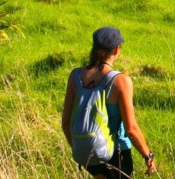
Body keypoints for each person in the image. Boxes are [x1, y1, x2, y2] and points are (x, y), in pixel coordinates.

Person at [62, 27, 157, 178]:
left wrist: (81, 147)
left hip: (88, 156)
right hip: (117, 154)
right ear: (117, 49)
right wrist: (148, 155)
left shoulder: (75, 76)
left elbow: (66, 123)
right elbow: (131, 129)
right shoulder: (121, 81)